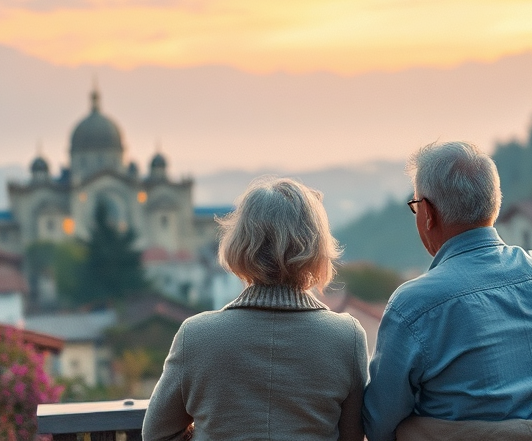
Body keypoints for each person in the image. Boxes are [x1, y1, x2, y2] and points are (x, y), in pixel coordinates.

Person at [363, 141, 532, 441]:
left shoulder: (414, 304)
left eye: (415, 207)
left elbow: (378, 425)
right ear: (493, 204)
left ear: (428, 214)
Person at [142, 177, 368, 441]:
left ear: (239, 242)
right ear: (317, 246)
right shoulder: (346, 338)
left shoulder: (196, 336)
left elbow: (157, 434)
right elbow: (351, 436)